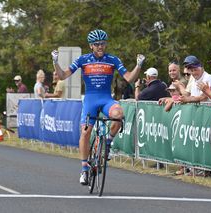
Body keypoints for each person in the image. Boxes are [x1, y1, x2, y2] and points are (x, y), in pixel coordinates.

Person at [51, 29, 145, 185]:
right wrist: (55, 62)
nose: (100, 47)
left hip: (106, 99)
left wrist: (139, 65)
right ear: (91, 46)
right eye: (97, 44)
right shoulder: (83, 60)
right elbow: (62, 76)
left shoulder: (113, 60)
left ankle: (107, 143)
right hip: (90, 100)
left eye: (103, 43)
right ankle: (84, 169)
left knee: (118, 115)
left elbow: (129, 78)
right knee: (85, 132)